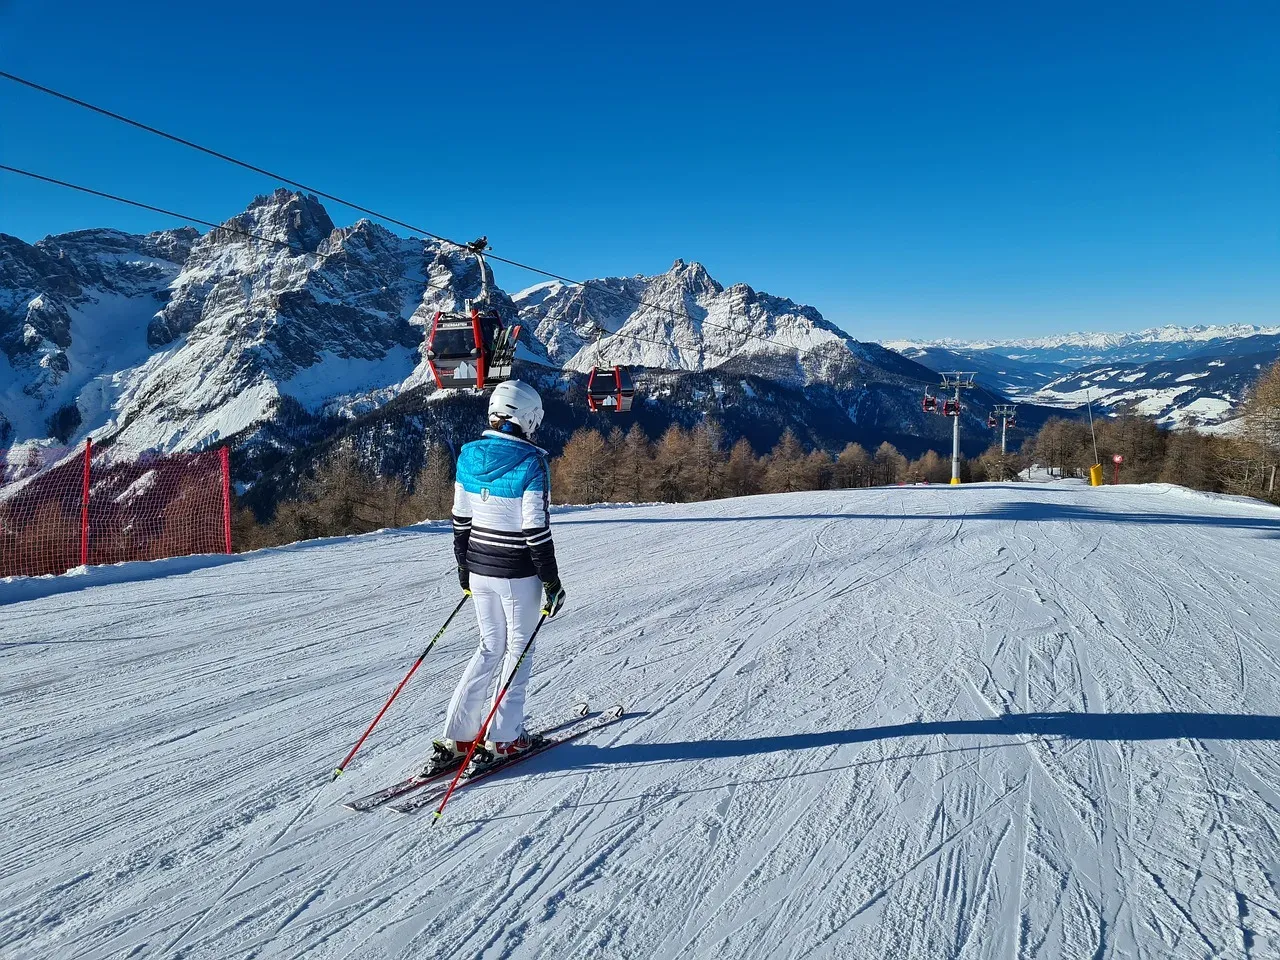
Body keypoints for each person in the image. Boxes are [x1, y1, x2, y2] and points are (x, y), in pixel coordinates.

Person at [429, 380, 567, 773]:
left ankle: (459, 736)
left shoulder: (468, 456)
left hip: (479, 568)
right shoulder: (531, 463)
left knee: (490, 647)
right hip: (517, 573)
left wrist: (463, 568)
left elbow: (460, 519)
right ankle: (504, 739)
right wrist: (552, 582)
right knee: (519, 650)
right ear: (525, 418)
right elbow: (535, 530)